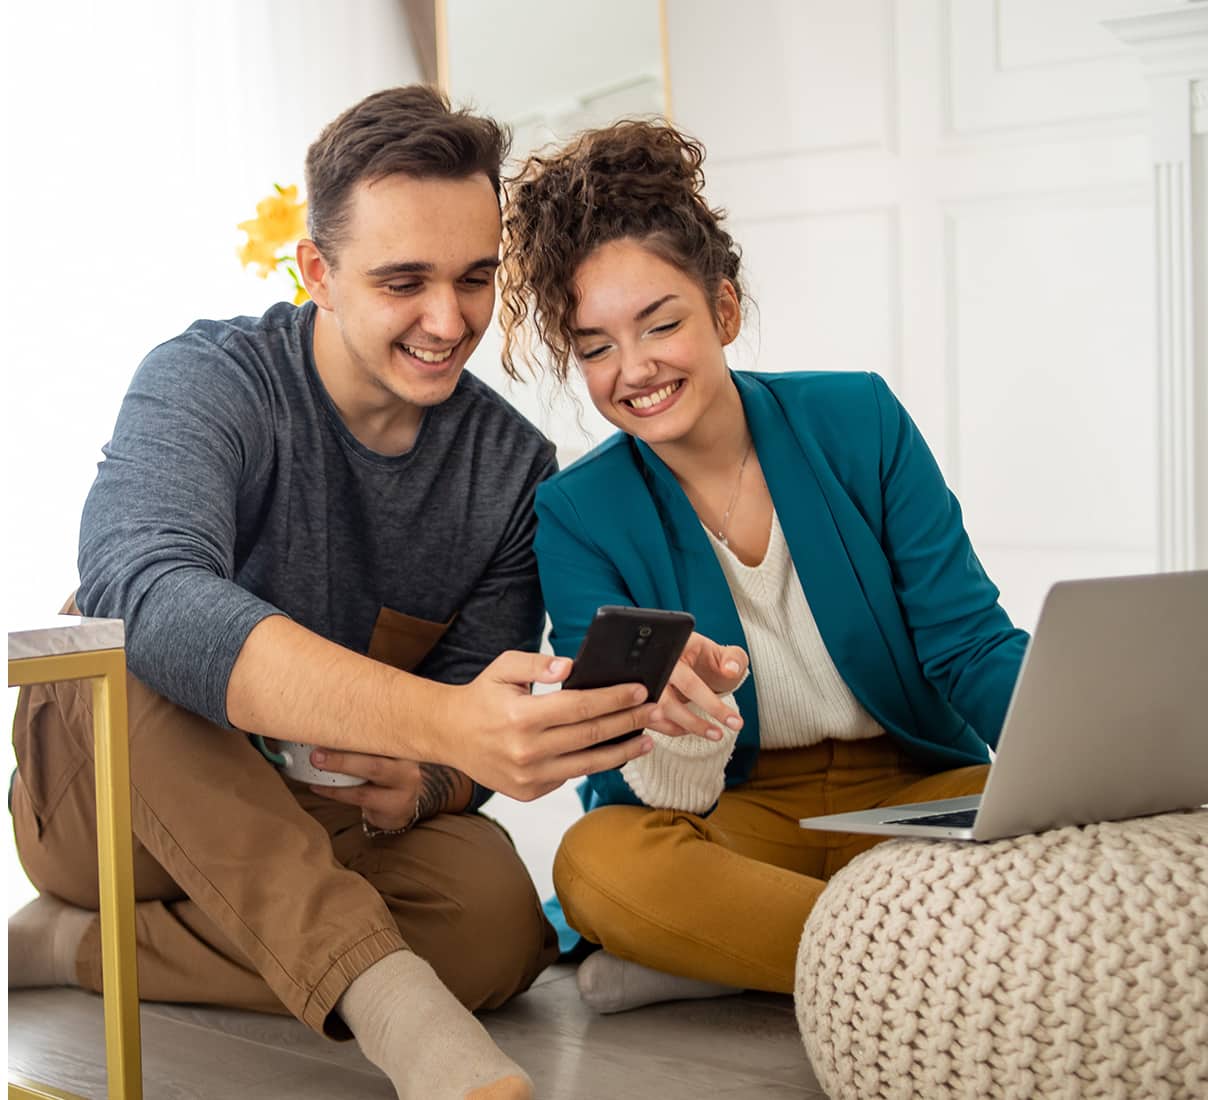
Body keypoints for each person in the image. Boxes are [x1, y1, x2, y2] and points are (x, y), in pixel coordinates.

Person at [7, 87, 663, 1100]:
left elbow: (464, 728)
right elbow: (141, 589)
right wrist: (439, 721)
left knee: (496, 921)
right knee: (135, 641)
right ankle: (399, 1013)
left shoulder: (508, 470)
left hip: (313, 824)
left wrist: (435, 778)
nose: (447, 321)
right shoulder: (206, 380)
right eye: (403, 281)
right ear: (315, 269)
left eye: (473, 278)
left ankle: (81, 948)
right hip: (108, 806)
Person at [498, 120, 1030, 1016]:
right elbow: (614, 760)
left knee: (1067, 827)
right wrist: (676, 722)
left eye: (660, 324)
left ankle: (739, 960)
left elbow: (970, 647)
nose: (634, 370)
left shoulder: (857, 419)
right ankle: (922, 966)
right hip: (728, 819)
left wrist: (1086, 771)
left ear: (725, 310)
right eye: (595, 348)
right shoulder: (576, 513)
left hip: (906, 795)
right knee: (596, 865)